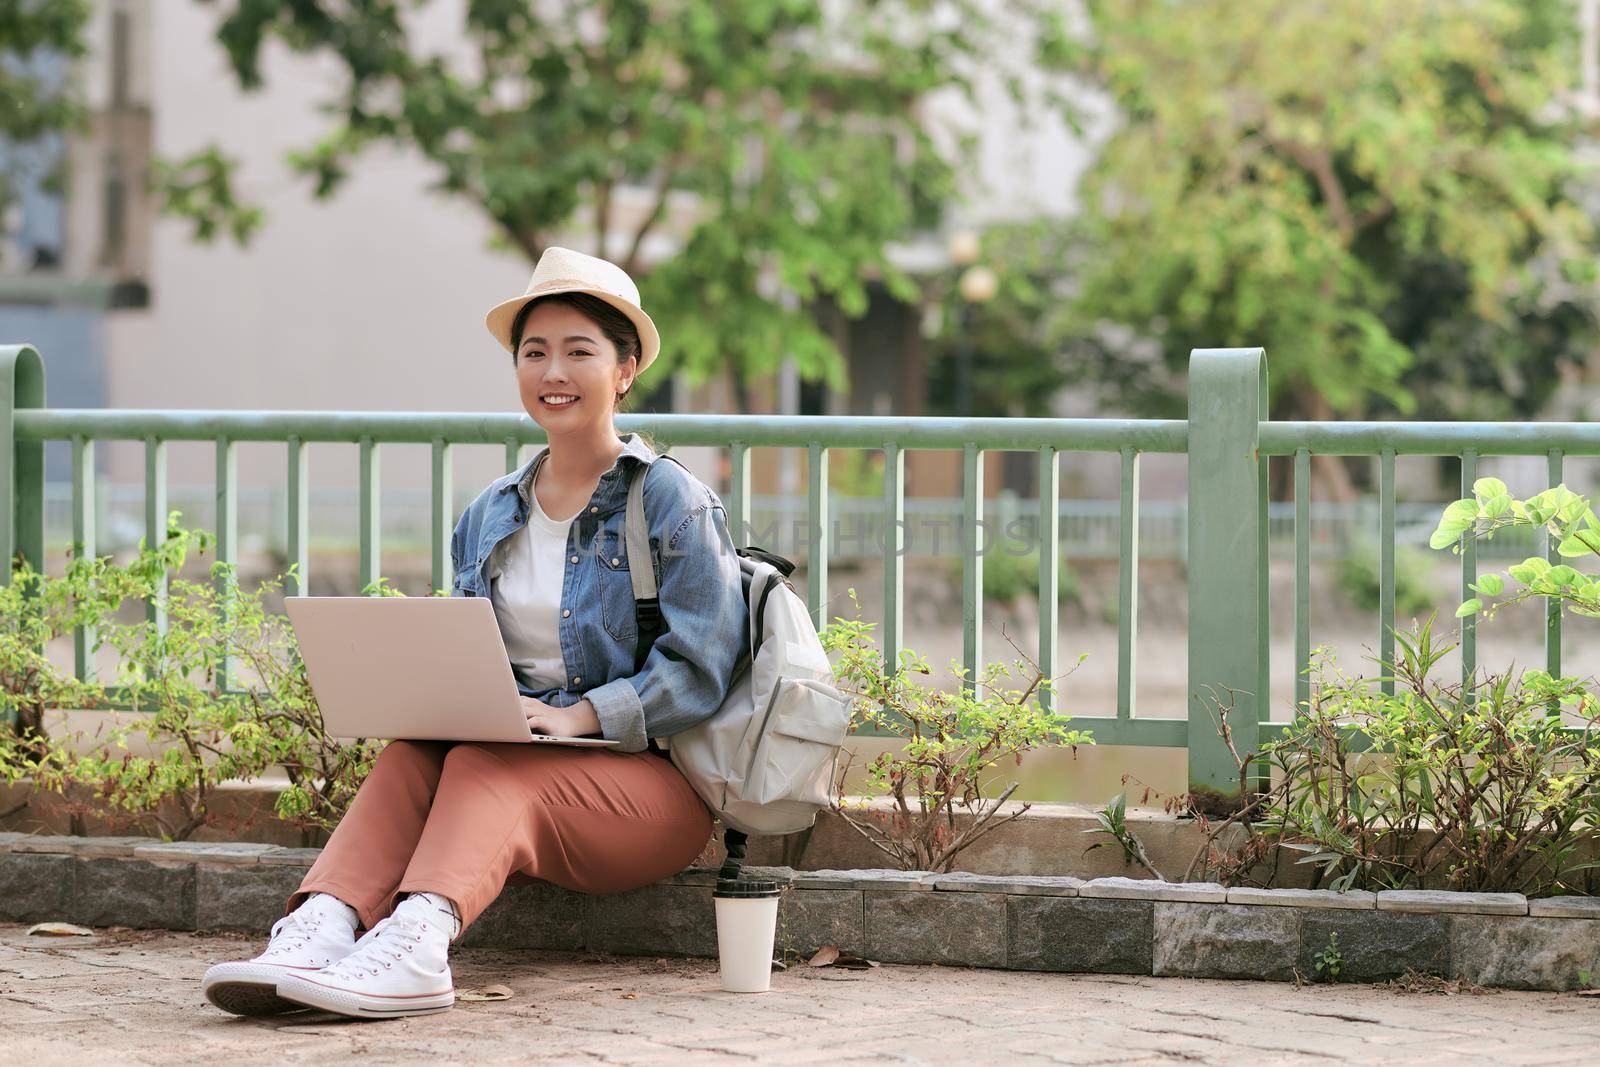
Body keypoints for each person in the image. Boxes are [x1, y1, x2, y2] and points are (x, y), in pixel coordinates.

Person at [201, 247, 749, 1020]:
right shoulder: (492, 509)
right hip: (518, 768)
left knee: (487, 764)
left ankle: (415, 946)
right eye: (534, 352)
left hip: (653, 790)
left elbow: (702, 667)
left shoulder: (670, 500)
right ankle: (322, 927)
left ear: (624, 369)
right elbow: (468, 660)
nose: (552, 370)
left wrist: (579, 715)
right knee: (414, 753)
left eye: (578, 351)